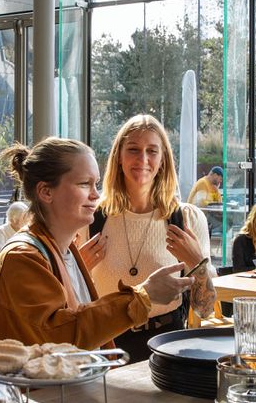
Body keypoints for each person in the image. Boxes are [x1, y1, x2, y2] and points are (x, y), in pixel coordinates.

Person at [0, 138, 191, 350]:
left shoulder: (67, 251)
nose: (95, 194)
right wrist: (144, 296)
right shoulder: (22, 258)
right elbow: (59, 338)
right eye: (84, 184)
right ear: (45, 192)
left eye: (96, 184)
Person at [83, 114, 217, 360]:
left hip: (167, 345)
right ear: (119, 158)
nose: (142, 159)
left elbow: (205, 309)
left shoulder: (187, 219)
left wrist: (198, 263)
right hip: (107, 343)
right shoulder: (91, 220)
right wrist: (78, 269)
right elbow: (66, 302)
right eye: (133, 149)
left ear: (163, 159)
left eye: (152, 151)